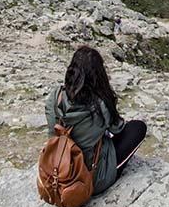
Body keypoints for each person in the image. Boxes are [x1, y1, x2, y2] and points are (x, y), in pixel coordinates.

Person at [45, 46, 146, 197]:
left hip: (56, 169)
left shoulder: (55, 96)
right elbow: (118, 129)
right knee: (138, 128)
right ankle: (106, 172)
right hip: (89, 178)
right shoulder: (100, 105)